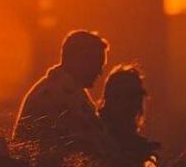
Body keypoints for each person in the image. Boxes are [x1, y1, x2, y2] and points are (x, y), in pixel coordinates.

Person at [12, 30, 119, 166]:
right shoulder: (59, 94)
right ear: (79, 60)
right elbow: (93, 148)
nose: (100, 72)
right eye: (97, 64)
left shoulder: (67, 89)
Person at [98, 64, 161, 166]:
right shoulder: (97, 133)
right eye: (130, 96)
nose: (135, 103)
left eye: (137, 96)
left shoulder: (130, 137)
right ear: (112, 97)